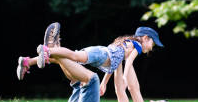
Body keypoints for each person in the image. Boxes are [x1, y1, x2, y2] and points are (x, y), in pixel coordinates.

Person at [17, 26, 163, 84]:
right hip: (100, 54)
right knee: (74, 56)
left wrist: (104, 84)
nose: (151, 48)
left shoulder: (127, 43)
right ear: (145, 38)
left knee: (69, 59)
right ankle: (49, 50)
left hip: (100, 54)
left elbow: (113, 65)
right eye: (152, 44)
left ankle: (27, 62)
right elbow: (129, 63)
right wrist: (125, 78)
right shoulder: (136, 47)